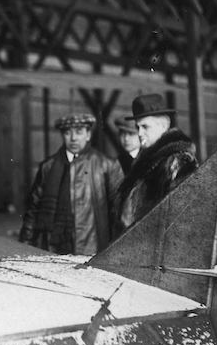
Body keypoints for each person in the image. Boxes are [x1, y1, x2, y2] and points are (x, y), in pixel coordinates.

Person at [19, 113, 123, 255]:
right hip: (53, 246)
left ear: (88, 135)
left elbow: (119, 212)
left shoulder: (107, 165)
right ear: (63, 136)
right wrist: (24, 246)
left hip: (92, 247)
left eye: (79, 132)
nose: (73, 138)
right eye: (68, 133)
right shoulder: (48, 167)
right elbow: (33, 211)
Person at [115, 93, 199, 234]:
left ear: (163, 125)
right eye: (138, 127)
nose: (140, 133)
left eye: (145, 127)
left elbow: (181, 219)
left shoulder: (179, 161)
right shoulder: (145, 163)